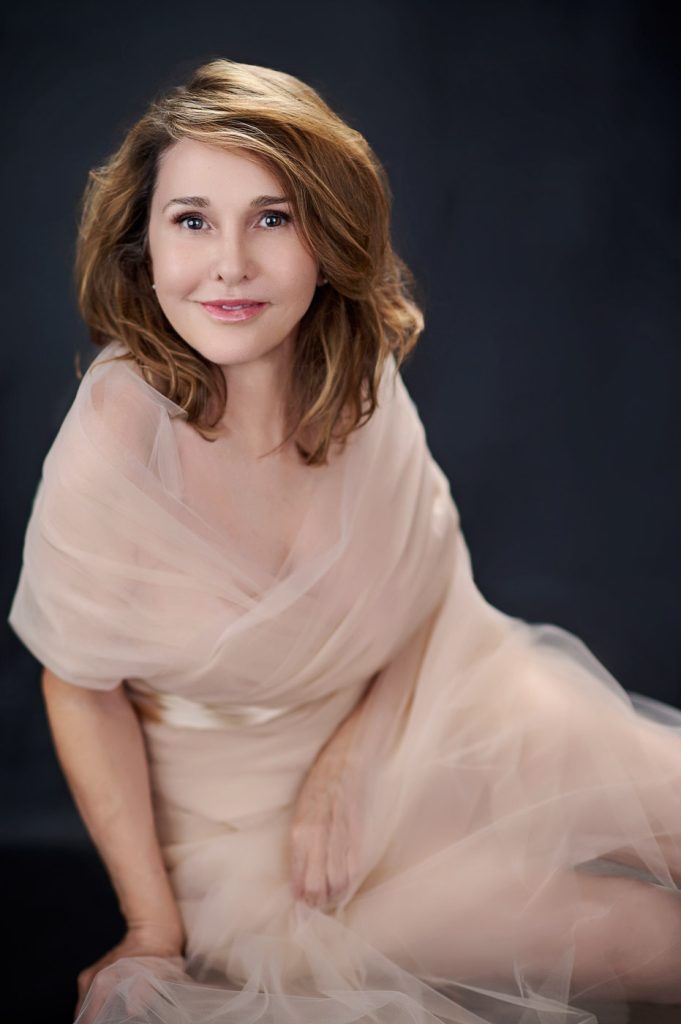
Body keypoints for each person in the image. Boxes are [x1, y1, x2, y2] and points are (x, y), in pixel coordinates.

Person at [8, 57, 681, 1024]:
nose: (230, 263)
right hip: (259, 850)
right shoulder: (120, 433)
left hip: (430, 707)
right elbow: (76, 685)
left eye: (271, 218)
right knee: (649, 939)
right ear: (144, 247)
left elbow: (432, 562)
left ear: (324, 238)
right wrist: (151, 928)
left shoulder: (349, 373)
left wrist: (358, 751)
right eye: (191, 220)